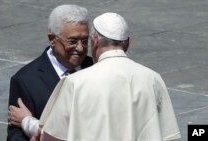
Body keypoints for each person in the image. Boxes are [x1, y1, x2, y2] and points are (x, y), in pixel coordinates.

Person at [35, 12, 181, 141]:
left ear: (94, 41)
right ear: (128, 43)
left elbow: (52, 136)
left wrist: (27, 122)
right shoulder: (153, 79)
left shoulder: (75, 82)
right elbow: (167, 134)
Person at [7, 4, 93, 141]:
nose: (80, 48)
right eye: (72, 41)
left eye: (84, 41)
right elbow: (15, 135)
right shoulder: (25, 80)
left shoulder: (96, 68)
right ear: (52, 39)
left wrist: (29, 123)